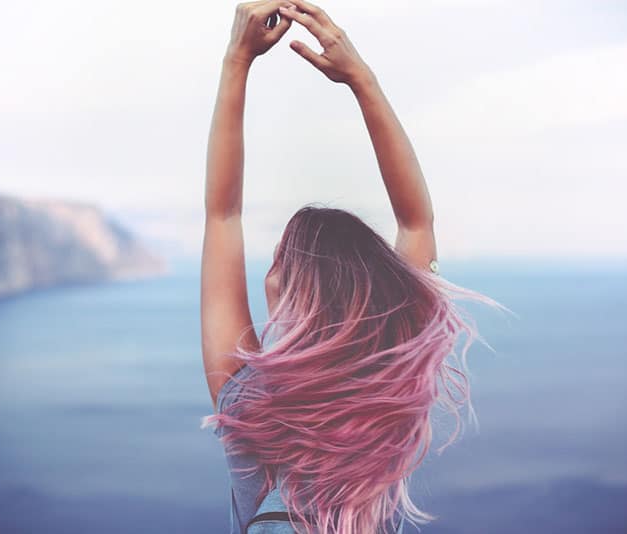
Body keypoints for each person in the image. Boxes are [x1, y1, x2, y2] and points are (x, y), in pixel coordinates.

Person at [200, 1, 511, 532]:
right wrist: (360, 79)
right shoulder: (385, 391)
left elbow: (222, 216)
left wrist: (237, 61)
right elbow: (417, 223)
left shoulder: (245, 397)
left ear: (294, 291)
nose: (268, 270)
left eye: (280, 259)